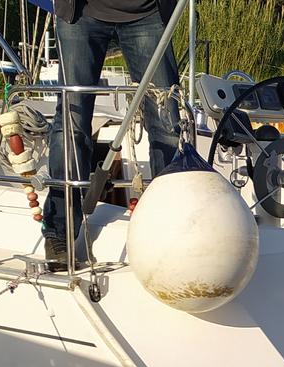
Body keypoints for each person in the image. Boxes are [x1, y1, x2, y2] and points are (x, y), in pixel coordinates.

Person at [43, 0, 182, 267]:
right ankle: (59, 230)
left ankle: (171, 224)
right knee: (72, 125)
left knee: (167, 124)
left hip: (148, 12)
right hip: (81, 12)